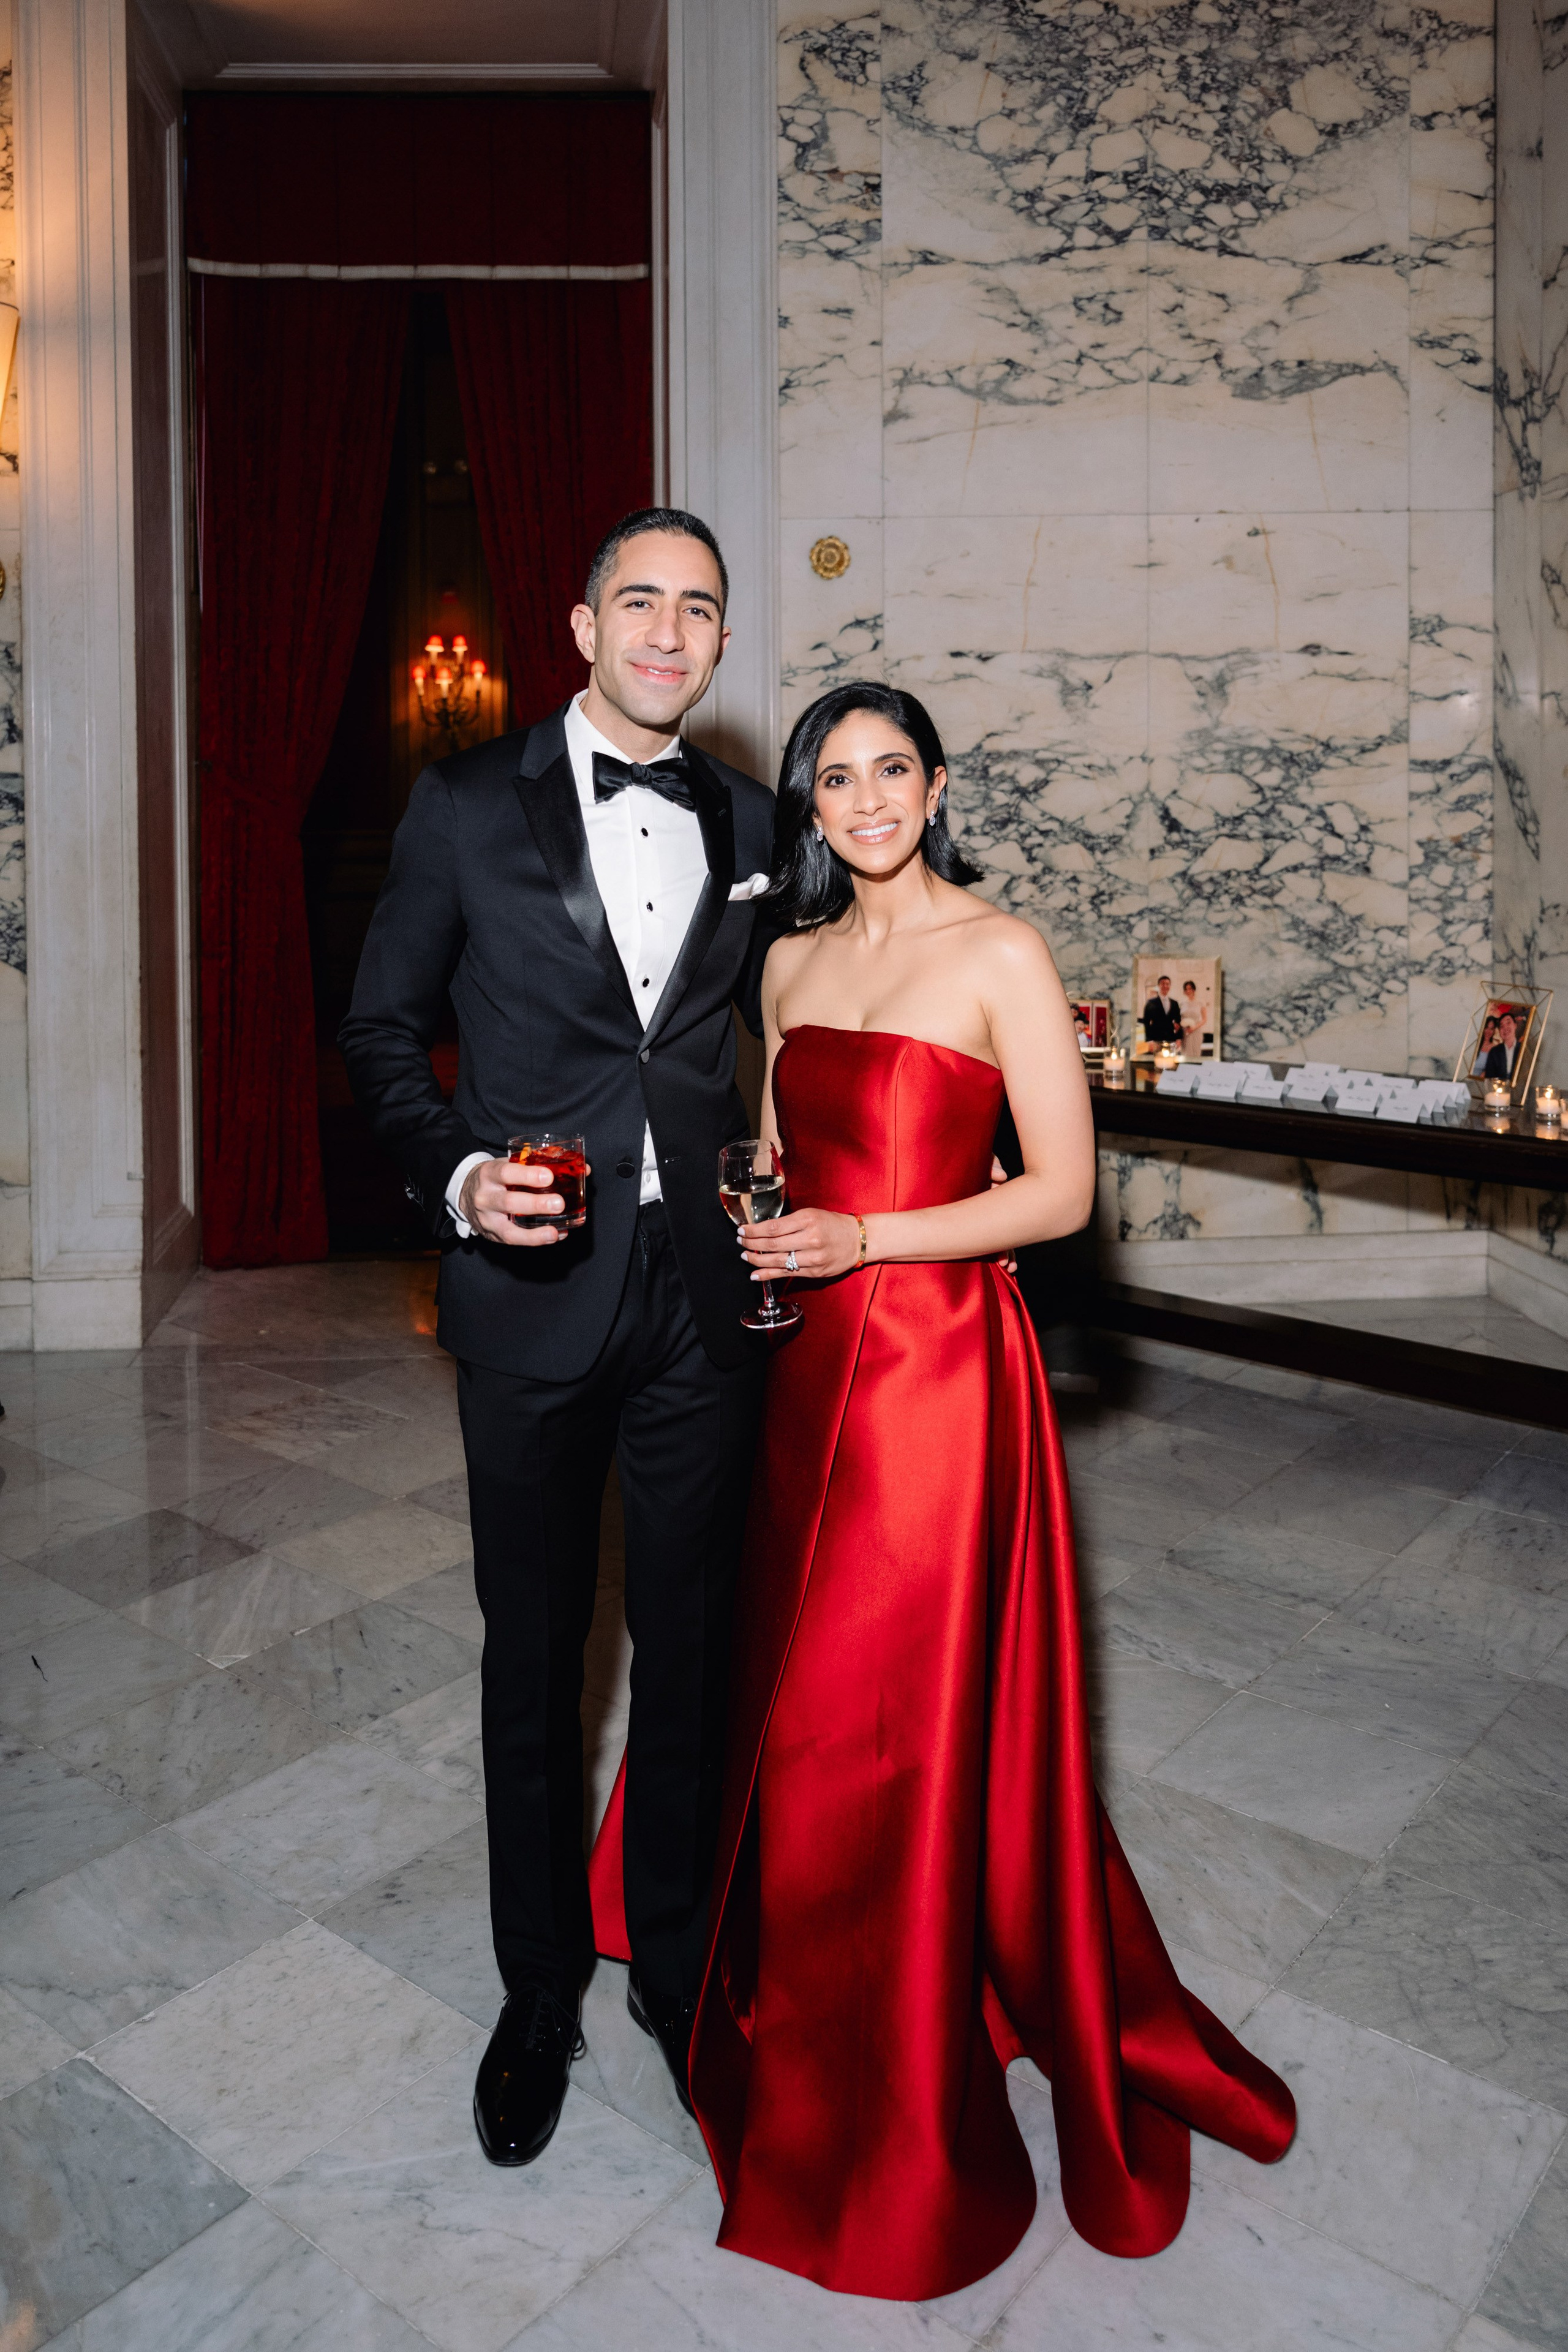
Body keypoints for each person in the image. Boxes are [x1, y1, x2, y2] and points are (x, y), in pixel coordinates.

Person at [660, 680, 1295, 2299]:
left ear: (936, 787)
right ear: (809, 807)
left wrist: (870, 1236)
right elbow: (780, 1152)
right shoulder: (788, 963)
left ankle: (902, 2096)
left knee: (902, 1720)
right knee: (799, 1710)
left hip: (938, 1379)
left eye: (892, 770)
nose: (866, 799)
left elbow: (1061, 1193)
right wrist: (773, 1223)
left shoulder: (1001, 953)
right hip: (806, 1365)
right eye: (835, 779)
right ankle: (812, 2038)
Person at [340, 508, 778, 2170]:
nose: (669, 631)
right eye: (638, 601)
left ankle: (672, 1964)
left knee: (690, 1643)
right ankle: (538, 1991)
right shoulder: (464, 803)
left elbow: (818, 1008)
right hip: (529, 1285)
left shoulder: (753, 819)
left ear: (722, 642)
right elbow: (382, 1028)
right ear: (583, 626)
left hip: (701, 1295)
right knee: (532, 1655)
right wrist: (459, 1178)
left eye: (699, 608)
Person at [1140, 972, 1182, 1044]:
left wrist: (1178, 1038)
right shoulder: (1151, 1002)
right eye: (1163, 984)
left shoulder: (1175, 1003)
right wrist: (1149, 1040)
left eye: (1167, 984)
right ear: (1158, 986)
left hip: (1171, 1037)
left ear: (1170, 986)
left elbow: (1178, 1021)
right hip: (1155, 1038)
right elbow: (1146, 1022)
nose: (1165, 986)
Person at [1483, 1009, 1523, 1082]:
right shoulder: (1494, 1052)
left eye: (1508, 1023)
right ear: (1499, 1031)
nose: (1505, 1028)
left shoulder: (1524, 1049)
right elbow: (1489, 1079)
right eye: (1502, 1026)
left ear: (1515, 1025)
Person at [1179, 975, 1207, 1061]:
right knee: (1185, 1055)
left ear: (1194, 990)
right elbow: (1179, 1018)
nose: (1188, 991)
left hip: (1196, 1031)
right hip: (1185, 1032)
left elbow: (1204, 1019)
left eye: (1190, 989)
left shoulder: (1201, 1002)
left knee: (1195, 1055)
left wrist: (1194, 1027)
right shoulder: (1182, 1003)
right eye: (1186, 989)